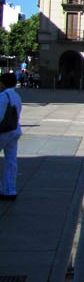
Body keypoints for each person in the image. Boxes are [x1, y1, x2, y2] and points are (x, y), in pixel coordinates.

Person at [2, 72, 22, 201]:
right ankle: (10, 189)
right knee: (11, 161)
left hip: (3, 132)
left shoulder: (3, 96)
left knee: (10, 161)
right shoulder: (16, 95)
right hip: (14, 130)